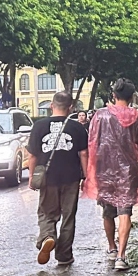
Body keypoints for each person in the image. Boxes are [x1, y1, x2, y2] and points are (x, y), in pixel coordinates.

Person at [83, 79, 138, 272]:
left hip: (104, 170)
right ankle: (121, 255)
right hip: (128, 171)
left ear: (113, 95)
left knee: (107, 211)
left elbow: (92, 141)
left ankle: (111, 247)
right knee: (125, 212)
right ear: (132, 96)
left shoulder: (99, 115)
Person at [26, 92, 89, 266]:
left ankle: (48, 236)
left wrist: (32, 177)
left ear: (51, 106)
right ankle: (64, 255)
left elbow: (32, 156)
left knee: (46, 212)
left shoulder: (39, 126)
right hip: (71, 177)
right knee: (68, 217)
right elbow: (83, 154)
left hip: (48, 177)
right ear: (71, 108)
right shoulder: (77, 128)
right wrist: (86, 176)